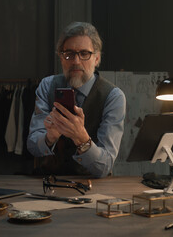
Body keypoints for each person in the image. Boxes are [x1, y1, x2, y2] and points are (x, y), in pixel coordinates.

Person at [27, 22, 126, 178]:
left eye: (84, 53)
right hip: (49, 183)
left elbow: (105, 166)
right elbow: (33, 146)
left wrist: (81, 137)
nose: (76, 61)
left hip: (93, 186)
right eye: (69, 54)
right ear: (61, 57)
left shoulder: (113, 97)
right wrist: (50, 137)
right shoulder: (47, 86)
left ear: (97, 58)